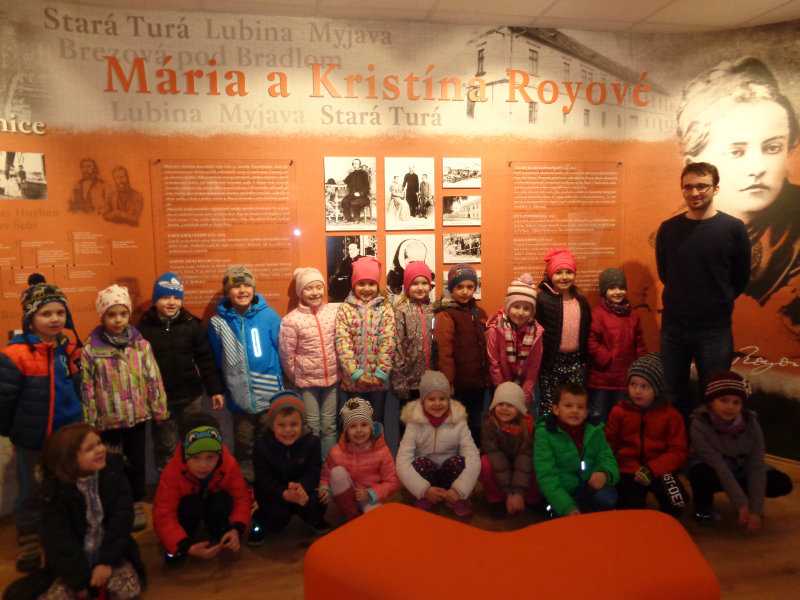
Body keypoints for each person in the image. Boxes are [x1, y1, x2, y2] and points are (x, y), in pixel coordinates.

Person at [678, 57, 800, 307]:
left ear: (789, 148)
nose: (758, 167)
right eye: (736, 152)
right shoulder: (675, 233)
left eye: (773, 147)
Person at [656, 162, 751, 421]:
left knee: (716, 396)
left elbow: (741, 277)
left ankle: (709, 446)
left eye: (702, 186)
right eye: (688, 187)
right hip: (674, 327)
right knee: (673, 395)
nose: (694, 192)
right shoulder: (668, 228)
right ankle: (680, 444)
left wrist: (718, 301)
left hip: (714, 328)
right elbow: (666, 274)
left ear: (715, 188)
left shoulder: (733, 228)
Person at [0, 275, 82, 572]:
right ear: (30, 319)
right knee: (31, 492)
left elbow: (79, 390)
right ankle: (30, 543)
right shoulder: (15, 355)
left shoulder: (69, 350)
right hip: (33, 440)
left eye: (60, 312)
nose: (55, 319)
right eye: (46, 313)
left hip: (69, 437)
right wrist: (13, 431)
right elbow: (4, 399)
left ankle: (65, 535)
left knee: (69, 486)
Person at [81, 283, 168, 532]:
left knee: (136, 462)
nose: (118, 320)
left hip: (136, 417)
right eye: (111, 314)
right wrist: (90, 420)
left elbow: (153, 378)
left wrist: (159, 408)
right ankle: (111, 502)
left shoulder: (140, 345)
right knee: (109, 464)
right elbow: (87, 387)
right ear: (102, 316)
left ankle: (135, 501)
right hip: (106, 420)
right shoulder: (91, 349)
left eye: (123, 313)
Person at [37, 423, 145, 599]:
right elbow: (58, 541)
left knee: (128, 591)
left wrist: (107, 562)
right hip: (72, 565)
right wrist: (79, 581)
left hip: (112, 555)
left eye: (99, 443)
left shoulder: (114, 474)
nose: (100, 450)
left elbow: (121, 523)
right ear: (69, 458)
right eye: (90, 449)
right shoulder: (53, 492)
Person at [138, 272, 225, 473]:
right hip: (161, 400)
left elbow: (206, 359)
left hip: (190, 396)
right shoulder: (144, 330)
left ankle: (193, 481)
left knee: (193, 440)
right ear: (155, 300)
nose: (172, 302)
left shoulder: (192, 325)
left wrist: (215, 390)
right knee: (166, 445)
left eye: (176, 297)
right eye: (165, 297)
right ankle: (168, 484)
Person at [685, 371, 793, 530]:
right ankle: (703, 509)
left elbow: (756, 465)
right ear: (711, 401)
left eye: (736, 402)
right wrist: (740, 504)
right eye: (724, 400)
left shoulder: (751, 424)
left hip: (740, 469)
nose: (730, 407)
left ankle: (749, 501)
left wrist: (756, 510)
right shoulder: (699, 424)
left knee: (780, 482)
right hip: (713, 469)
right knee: (702, 476)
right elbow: (719, 466)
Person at [208, 265, 283, 484]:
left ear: (253, 289)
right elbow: (214, 359)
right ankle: (246, 488)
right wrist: (218, 389)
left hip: (269, 396)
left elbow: (283, 349)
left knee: (270, 443)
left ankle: (269, 485)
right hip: (239, 399)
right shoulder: (218, 323)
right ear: (227, 292)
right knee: (244, 446)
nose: (242, 290)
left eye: (246, 285)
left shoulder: (268, 316)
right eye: (236, 286)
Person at [152, 414, 250, 563]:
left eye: (210, 457)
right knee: (190, 506)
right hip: (188, 509)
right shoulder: (172, 472)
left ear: (218, 455)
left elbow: (242, 498)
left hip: (213, 502)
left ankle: (219, 527)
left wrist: (236, 529)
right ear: (185, 455)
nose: (203, 466)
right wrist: (185, 546)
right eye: (196, 457)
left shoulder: (228, 464)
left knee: (222, 500)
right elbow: (163, 515)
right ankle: (183, 537)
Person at [605, 353, 689, 517]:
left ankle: (669, 526)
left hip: (660, 469)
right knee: (631, 509)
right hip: (628, 468)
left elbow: (678, 451)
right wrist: (610, 469)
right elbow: (609, 444)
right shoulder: (619, 412)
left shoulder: (671, 415)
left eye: (645, 386)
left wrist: (652, 469)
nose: (637, 391)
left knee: (677, 500)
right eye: (633, 384)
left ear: (656, 389)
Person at [249, 392, 330, 545]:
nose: (288, 430)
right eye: (281, 425)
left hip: (301, 490)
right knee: (276, 514)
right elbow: (263, 479)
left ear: (302, 423)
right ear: (272, 425)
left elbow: (313, 471)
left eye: (294, 424)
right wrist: (284, 493)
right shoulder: (262, 446)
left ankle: (314, 519)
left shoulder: (312, 442)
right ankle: (261, 526)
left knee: (320, 499)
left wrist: (301, 487)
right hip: (275, 494)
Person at [396, 370, 480, 517]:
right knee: (419, 463)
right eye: (431, 399)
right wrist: (423, 489)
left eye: (442, 398)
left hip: (450, 473)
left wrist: (459, 489)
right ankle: (425, 497)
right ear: (423, 401)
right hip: (427, 474)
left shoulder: (459, 421)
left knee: (461, 462)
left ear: (449, 399)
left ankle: (455, 498)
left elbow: (473, 456)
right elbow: (402, 462)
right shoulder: (414, 423)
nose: (437, 404)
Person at [279, 267, 340, 459]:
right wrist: (297, 376)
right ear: (300, 292)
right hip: (307, 384)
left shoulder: (333, 313)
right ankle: (313, 465)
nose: (315, 292)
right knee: (312, 425)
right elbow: (286, 354)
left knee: (329, 425)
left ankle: (328, 465)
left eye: (318, 287)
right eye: (308, 288)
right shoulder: (291, 320)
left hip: (332, 380)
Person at [534, 382, 619, 517]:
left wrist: (604, 473)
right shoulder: (544, 434)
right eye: (568, 406)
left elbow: (607, 458)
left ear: (586, 413)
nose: (574, 411)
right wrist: (567, 507)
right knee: (559, 517)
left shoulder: (595, 431)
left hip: (589, 486)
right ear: (556, 409)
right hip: (563, 491)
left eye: (580, 407)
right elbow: (547, 476)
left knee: (607, 498)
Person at [432, 263, 489, 444]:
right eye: (459, 287)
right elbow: (443, 351)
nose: (465, 291)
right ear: (451, 288)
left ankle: (475, 456)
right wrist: (448, 382)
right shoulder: (445, 314)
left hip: (478, 382)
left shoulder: (478, 312)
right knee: (457, 425)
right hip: (459, 384)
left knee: (475, 424)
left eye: (469, 287)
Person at [334, 256, 395, 424]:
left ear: (377, 285)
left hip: (378, 381)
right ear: (354, 284)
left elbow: (388, 343)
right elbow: (343, 344)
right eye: (361, 283)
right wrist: (355, 374)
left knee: (376, 422)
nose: (366, 288)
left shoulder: (385, 309)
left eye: (371, 283)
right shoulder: (345, 310)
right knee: (355, 423)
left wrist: (381, 374)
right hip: (354, 382)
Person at [318, 398, 399, 521]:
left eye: (364, 425)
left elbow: (392, 482)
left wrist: (371, 493)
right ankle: (352, 515)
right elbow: (326, 477)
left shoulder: (382, 451)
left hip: (369, 497)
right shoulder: (336, 451)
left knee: (377, 522)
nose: (359, 430)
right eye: (353, 426)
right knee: (336, 472)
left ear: (371, 427)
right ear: (346, 431)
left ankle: (363, 514)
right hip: (346, 498)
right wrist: (325, 489)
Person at [535, 248, 591, 416]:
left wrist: (584, 358)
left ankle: (570, 429)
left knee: (573, 403)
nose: (564, 277)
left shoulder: (580, 299)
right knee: (549, 404)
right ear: (551, 275)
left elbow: (587, 329)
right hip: (551, 362)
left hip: (575, 362)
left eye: (569, 272)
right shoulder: (542, 299)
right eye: (558, 272)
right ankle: (548, 430)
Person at [587, 268, 646, 421]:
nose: (617, 292)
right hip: (601, 378)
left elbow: (639, 343)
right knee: (597, 417)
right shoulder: (597, 314)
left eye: (621, 288)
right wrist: (607, 359)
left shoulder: (632, 315)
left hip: (625, 377)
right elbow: (591, 341)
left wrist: (640, 366)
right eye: (612, 288)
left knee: (621, 416)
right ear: (604, 291)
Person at [479, 382, 542, 518]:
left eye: (510, 405)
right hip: (499, 464)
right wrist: (509, 493)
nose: (504, 408)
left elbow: (524, 458)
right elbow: (497, 460)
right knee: (485, 463)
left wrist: (518, 493)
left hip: (519, 463)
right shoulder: (489, 426)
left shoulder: (527, 426)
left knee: (535, 462)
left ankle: (530, 499)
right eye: (500, 404)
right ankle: (496, 500)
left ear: (519, 408)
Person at [485, 273, 543, 410]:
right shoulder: (495, 329)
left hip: (524, 384)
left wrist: (526, 395)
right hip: (499, 386)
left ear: (532, 311)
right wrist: (504, 393)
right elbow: (494, 364)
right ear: (508, 306)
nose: (520, 312)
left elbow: (534, 366)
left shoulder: (536, 332)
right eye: (516, 306)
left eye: (526, 308)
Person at [390, 261, 434, 409]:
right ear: (407, 284)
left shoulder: (433, 309)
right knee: (409, 420)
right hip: (409, 383)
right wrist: (399, 381)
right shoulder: (401, 310)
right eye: (415, 283)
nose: (420, 288)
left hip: (432, 382)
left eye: (424, 283)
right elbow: (396, 347)